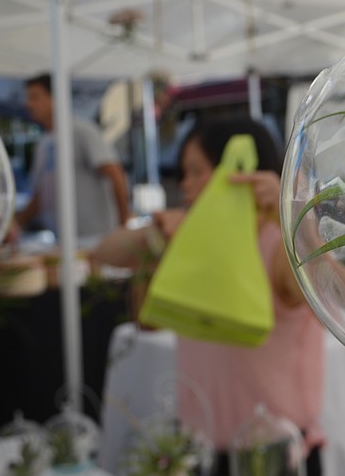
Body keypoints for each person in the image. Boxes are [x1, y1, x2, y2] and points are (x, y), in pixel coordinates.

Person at [93, 117, 326, 476]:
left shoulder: (277, 242)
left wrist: (294, 218)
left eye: (196, 172)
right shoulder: (196, 247)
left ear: (237, 170)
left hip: (274, 453)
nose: (185, 185)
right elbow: (105, 253)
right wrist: (155, 235)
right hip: (201, 449)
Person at [17, 73, 129, 240]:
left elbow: (115, 174)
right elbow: (41, 196)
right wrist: (15, 223)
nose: (28, 104)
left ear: (56, 98)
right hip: (62, 240)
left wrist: (123, 225)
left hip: (96, 238)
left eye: (35, 97)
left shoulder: (81, 131)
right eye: (28, 98)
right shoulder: (43, 143)